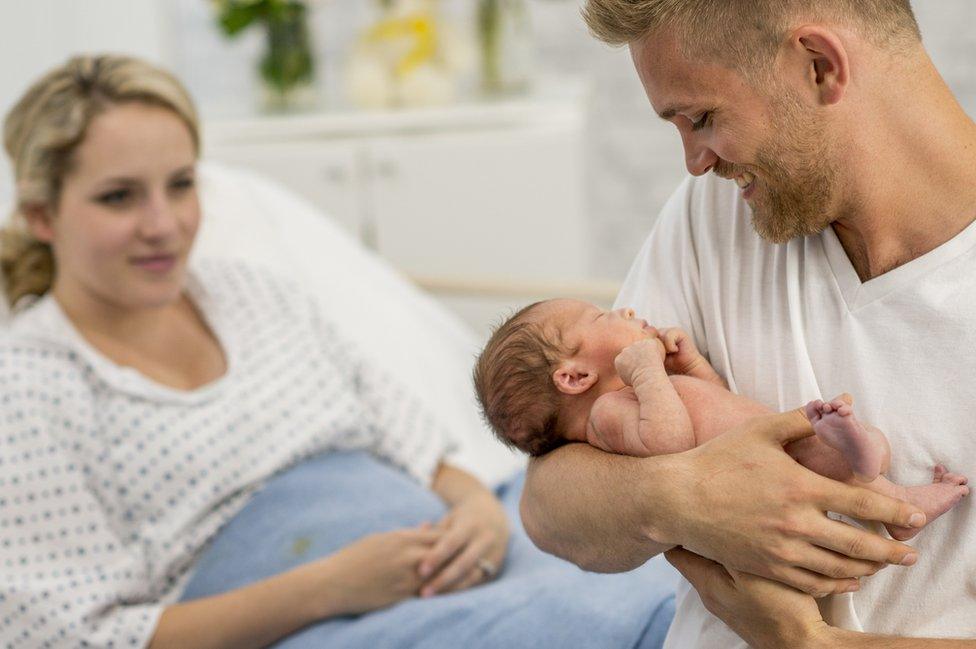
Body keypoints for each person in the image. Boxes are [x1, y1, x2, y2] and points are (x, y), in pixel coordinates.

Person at [0, 53, 683, 649]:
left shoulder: (250, 292)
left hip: (451, 549)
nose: (162, 224)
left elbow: (403, 427)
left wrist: (474, 506)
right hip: (307, 619)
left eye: (180, 185)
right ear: (41, 215)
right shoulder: (29, 387)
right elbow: (77, 634)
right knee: (629, 621)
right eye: (119, 197)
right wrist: (327, 587)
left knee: (683, 577)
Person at [520, 0, 976, 647]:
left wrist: (808, 643)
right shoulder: (717, 216)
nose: (694, 162)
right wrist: (687, 498)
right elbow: (547, 504)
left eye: (701, 118)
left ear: (820, 66)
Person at [474, 298, 967, 539]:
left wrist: (689, 368)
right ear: (575, 377)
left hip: (772, 441)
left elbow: (711, 401)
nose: (623, 308)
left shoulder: (640, 392)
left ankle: (892, 493)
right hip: (764, 467)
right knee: (847, 465)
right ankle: (899, 503)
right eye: (604, 317)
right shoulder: (607, 415)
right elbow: (670, 443)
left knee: (864, 454)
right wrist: (648, 371)